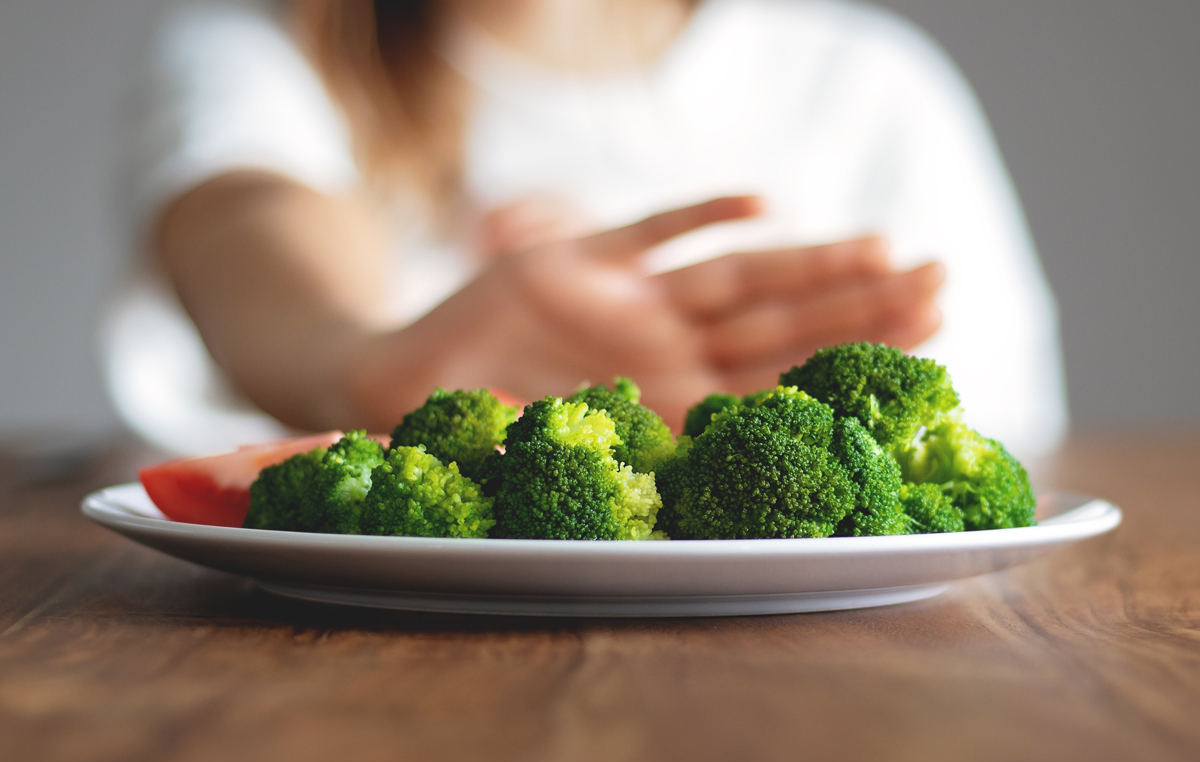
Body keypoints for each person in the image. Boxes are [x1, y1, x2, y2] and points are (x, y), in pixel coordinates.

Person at [105, 0, 1068, 459]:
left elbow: (999, 432)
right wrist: (357, 359)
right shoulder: (267, 44)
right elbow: (243, 213)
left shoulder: (866, 79)